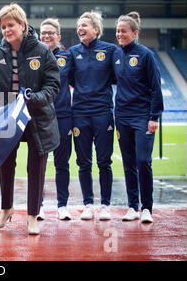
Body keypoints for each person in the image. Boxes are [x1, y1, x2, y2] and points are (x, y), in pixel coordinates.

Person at [0, 3, 60, 235]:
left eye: (10, 25)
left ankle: (33, 215)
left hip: (37, 117)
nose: (6, 29)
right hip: (7, 116)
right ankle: (6, 208)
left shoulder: (42, 50)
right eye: (3, 26)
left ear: (23, 25)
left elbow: (53, 85)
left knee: (36, 167)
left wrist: (33, 98)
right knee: (5, 164)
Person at [67, 11, 118, 221]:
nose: (80, 28)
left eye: (85, 25)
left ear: (96, 29)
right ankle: (88, 204)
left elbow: (117, 77)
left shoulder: (110, 50)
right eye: (79, 25)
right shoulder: (72, 52)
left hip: (103, 112)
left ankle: (105, 205)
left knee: (104, 161)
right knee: (83, 162)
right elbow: (69, 79)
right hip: (79, 113)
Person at [114, 12, 163, 223]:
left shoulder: (146, 55)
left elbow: (155, 87)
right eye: (117, 31)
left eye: (124, 31)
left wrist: (154, 116)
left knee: (143, 161)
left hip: (143, 117)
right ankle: (132, 206)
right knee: (128, 163)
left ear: (134, 33)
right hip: (122, 117)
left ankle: (147, 209)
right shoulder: (116, 56)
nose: (119, 34)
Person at [40, 18, 73, 221]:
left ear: (58, 36)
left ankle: (62, 206)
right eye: (43, 33)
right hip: (40, 117)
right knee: (39, 163)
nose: (46, 36)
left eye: (50, 33)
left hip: (63, 116)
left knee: (62, 164)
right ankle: (39, 204)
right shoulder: (34, 57)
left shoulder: (68, 58)